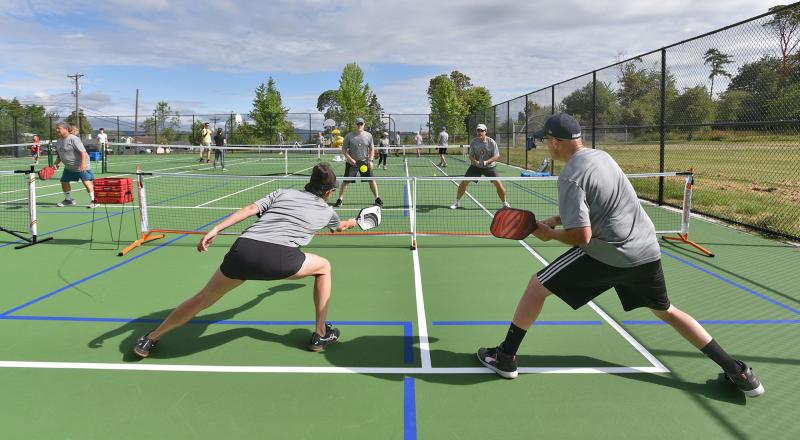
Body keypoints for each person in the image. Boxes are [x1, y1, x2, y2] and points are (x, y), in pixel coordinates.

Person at [475, 113, 764, 398]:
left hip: (609, 254)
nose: (544, 146)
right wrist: (557, 218)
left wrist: (550, 234)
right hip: (646, 250)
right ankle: (740, 374)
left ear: (555, 142)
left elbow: (582, 237)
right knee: (667, 312)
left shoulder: (569, 177)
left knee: (537, 287)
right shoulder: (603, 157)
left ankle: (505, 357)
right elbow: (600, 204)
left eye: (545, 141)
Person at [133, 163, 358, 357]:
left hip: (243, 252)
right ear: (329, 192)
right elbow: (338, 228)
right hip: (280, 260)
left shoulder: (282, 193)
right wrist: (353, 222)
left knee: (202, 298)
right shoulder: (328, 212)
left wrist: (216, 229)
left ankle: (150, 338)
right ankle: (320, 334)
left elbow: (251, 209)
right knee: (324, 267)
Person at [449, 123, 509, 209]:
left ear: (485, 132)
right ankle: (457, 202)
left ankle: (505, 203)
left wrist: (487, 162)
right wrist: (475, 162)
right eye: (478, 130)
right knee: (463, 183)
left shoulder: (491, 142)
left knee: (499, 184)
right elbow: (471, 155)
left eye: (481, 130)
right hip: (476, 167)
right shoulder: (474, 142)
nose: (480, 132)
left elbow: (496, 156)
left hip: (489, 167)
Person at [333, 117, 383, 207]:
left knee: (371, 180)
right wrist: (350, 159)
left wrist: (371, 160)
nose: (359, 125)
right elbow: (344, 149)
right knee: (346, 181)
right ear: (355, 125)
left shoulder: (369, 135)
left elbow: (372, 149)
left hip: (365, 162)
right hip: (352, 163)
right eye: (358, 124)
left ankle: (377, 198)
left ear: (364, 125)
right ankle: (340, 199)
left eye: (361, 124)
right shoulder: (349, 136)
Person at [53, 123, 97, 209]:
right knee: (64, 181)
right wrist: (56, 164)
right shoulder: (59, 141)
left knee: (86, 182)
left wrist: (83, 164)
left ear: (66, 129)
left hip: (80, 166)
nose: (57, 130)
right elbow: (60, 155)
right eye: (57, 128)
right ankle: (69, 200)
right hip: (69, 167)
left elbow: (83, 152)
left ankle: (95, 200)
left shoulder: (73, 139)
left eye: (59, 128)